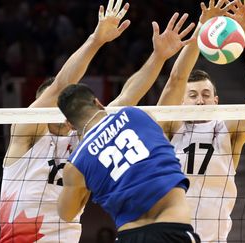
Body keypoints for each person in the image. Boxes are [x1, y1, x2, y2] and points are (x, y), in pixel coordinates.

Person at [0, 0, 196, 241]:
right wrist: (96, 39)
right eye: (53, 104)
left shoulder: (89, 139)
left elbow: (128, 95)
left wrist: (158, 56)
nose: (60, 108)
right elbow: (61, 84)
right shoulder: (25, 132)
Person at [157, 0, 245, 241]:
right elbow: (176, 78)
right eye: (194, 95)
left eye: (206, 95)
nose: (200, 101)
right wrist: (202, 27)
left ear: (216, 101)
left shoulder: (227, 130)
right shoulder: (168, 127)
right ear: (181, 102)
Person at [56, 84, 201, 243]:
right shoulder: (136, 114)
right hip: (172, 228)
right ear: (98, 103)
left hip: (129, 237)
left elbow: (66, 214)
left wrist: (85, 183)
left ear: (69, 124)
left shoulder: (77, 163)